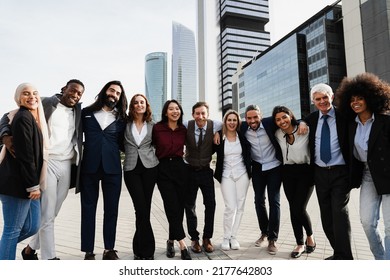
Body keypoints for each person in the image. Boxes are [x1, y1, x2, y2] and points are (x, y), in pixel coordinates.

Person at [0, 79, 85, 260]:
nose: (75, 95)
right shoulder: (44, 102)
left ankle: (30, 248)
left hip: (67, 163)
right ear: (64, 89)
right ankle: (49, 257)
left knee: (51, 213)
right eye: (73, 91)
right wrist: (5, 135)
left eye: (79, 94)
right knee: (46, 213)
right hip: (48, 162)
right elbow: (7, 116)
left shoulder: (79, 111)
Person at [335, 72, 390, 260]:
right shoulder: (351, 125)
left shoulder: (386, 120)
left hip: (389, 174)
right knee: (367, 222)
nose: (355, 102)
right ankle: (380, 257)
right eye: (352, 100)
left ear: (371, 98)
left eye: (360, 98)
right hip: (368, 175)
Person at [305, 83, 354, 260]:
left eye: (325, 97)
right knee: (326, 217)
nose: (322, 101)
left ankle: (345, 258)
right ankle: (338, 252)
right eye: (318, 99)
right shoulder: (309, 120)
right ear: (313, 102)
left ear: (332, 97)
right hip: (320, 173)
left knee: (339, 214)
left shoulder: (344, 116)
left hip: (340, 172)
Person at [0, 83, 49, 260]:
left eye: (35, 93)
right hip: (17, 183)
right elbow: (26, 155)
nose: (32, 96)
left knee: (32, 226)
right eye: (26, 93)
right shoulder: (21, 117)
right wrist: (33, 186)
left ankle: (4, 249)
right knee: (12, 231)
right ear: (18, 97)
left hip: (30, 183)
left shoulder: (34, 118)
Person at [80, 80, 127, 260]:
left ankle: (109, 249)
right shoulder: (86, 113)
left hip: (113, 169)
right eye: (112, 90)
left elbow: (126, 142)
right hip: (89, 168)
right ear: (105, 91)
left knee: (111, 209)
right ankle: (88, 250)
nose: (114, 94)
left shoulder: (122, 118)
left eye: (117, 93)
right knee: (88, 209)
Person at [272, 106, 316, 258]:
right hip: (287, 173)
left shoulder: (305, 129)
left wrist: (303, 121)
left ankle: (310, 236)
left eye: (284, 117)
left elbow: (314, 118)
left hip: (306, 172)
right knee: (293, 208)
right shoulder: (277, 134)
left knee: (298, 207)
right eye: (278, 119)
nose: (282, 121)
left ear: (290, 116)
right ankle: (300, 243)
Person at [241, 104, 283, 255]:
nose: (253, 120)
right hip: (258, 167)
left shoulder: (269, 122)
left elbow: (288, 118)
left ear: (261, 115)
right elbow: (226, 125)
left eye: (255, 117)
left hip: (274, 166)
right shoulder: (243, 127)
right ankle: (264, 232)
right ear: (245, 119)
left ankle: (272, 239)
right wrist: (217, 134)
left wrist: (302, 123)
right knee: (258, 200)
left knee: (274, 201)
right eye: (249, 118)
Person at [152, 100, 191, 260]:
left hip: (180, 168)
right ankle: (182, 244)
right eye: (171, 109)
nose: (175, 111)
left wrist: (216, 132)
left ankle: (170, 240)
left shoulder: (184, 129)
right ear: (165, 112)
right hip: (163, 169)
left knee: (179, 208)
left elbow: (207, 125)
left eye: (177, 109)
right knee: (171, 206)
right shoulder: (157, 128)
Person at [123, 94, 159, 260]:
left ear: (146, 105)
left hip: (150, 168)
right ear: (132, 106)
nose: (139, 105)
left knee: (144, 209)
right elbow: (119, 142)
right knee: (141, 208)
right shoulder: (125, 124)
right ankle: (148, 250)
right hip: (131, 169)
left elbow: (159, 144)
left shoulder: (153, 125)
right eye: (136, 103)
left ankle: (139, 249)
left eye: (142, 102)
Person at [183, 101, 222, 254]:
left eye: (203, 113)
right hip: (189, 171)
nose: (200, 116)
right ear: (193, 115)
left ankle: (207, 238)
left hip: (206, 171)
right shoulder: (187, 124)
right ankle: (194, 238)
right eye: (197, 113)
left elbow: (231, 123)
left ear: (208, 114)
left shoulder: (216, 125)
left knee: (210, 205)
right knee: (189, 206)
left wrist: (220, 132)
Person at [214, 110, 251, 251]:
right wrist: (217, 131)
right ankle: (225, 236)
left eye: (234, 120)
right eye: (229, 120)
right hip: (226, 175)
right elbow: (213, 125)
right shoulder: (219, 138)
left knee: (240, 207)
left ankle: (233, 236)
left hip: (242, 174)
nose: (232, 122)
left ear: (238, 122)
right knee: (230, 207)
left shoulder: (242, 136)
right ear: (225, 122)